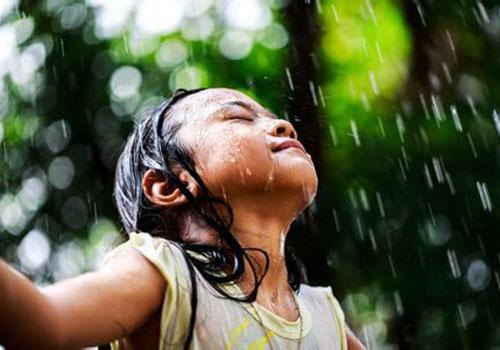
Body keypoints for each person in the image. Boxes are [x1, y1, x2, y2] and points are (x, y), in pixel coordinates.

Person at [0, 88, 365, 349]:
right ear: (169, 184)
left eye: (275, 119)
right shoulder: (168, 274)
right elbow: (44, 326)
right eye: (238, 116)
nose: (285, 125)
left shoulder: (325, 320)